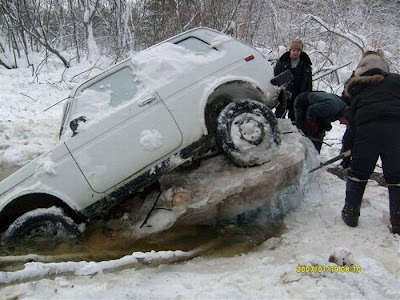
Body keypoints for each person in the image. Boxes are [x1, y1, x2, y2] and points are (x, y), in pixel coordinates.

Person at [340, 51, 400, 234]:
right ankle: (398, 220)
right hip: (396, 129)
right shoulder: (397, 80)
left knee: (358, 172)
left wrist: (347, 150)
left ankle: (351, 213)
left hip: (367, 130)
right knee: (397, 177)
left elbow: (351, 122)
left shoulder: (358, 86)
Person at [274, 40, 313, 121]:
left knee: (295, 118)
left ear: (301, 52)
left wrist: (307, 96)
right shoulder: (282, 62)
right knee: (279, 117)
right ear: (290, 51)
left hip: (298, 94)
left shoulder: (306, 65)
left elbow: (308, 83)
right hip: (283, 95)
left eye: (298, 51)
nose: (295, 52)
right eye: (294, 50)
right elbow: (275, 78)